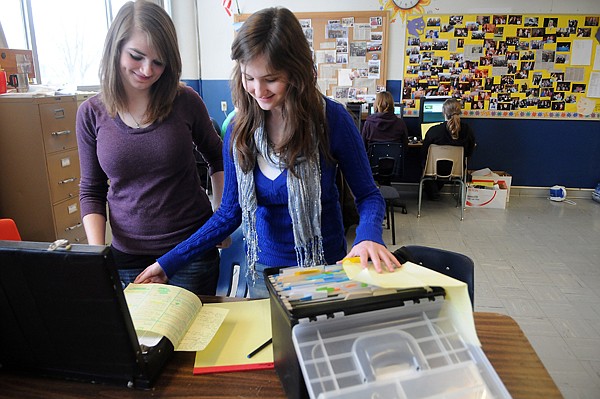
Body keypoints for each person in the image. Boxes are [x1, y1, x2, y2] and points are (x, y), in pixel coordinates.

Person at [135, 7, 401, 298]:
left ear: (296, 72)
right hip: (264, 273)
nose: (258, 90)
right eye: (249, 77)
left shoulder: (331, 120)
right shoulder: (238, 130)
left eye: (271, 78)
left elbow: (368, 195)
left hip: (326, 268)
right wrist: (168, 263)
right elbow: (228, 213)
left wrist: (368, 237)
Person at [76, 1, 225, 295]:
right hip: (128, 257)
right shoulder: (91, 113)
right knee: (136, 340)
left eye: (159, 62)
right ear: (116, 49)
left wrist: (219, 214)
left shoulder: (186, 100)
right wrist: (97, 256)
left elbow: (217, 156)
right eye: (137, 56)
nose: (147, 70)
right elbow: (92, 189)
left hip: (191, 249)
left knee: (195, 339)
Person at [421, 98, 476, 200]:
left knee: (423, 163)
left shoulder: (434, 131)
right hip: (457, 170)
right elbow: (469, 152)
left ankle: (432, 191)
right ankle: (434, 191)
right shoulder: (467, 130)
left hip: (434, 169)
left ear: (443, 112)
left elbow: (424, 153)